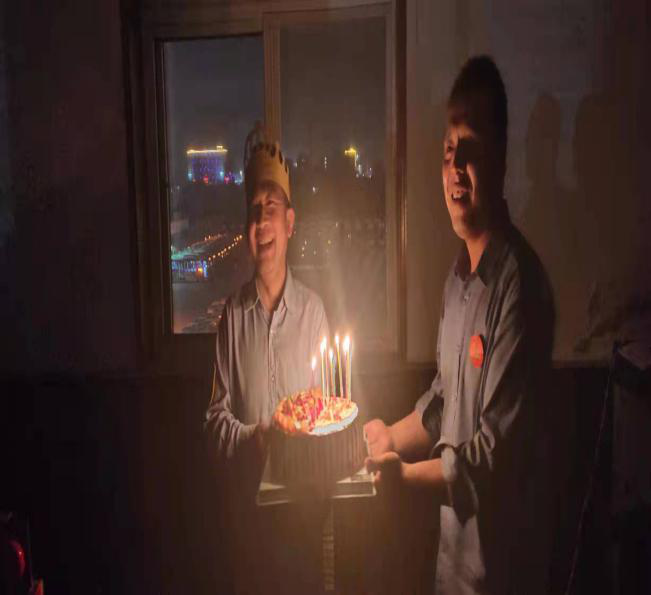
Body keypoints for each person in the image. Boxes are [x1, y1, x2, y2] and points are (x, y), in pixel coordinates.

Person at [364, 56, 555, 594]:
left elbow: (493, 456)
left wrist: (405, 477)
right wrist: (387, 437)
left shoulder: (519, 286)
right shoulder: (457, 280)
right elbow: (444, 402)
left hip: (501, 574)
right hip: (451, 570)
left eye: (470, 149)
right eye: (448, 151)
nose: (455, 168)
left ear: (500, 159)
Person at [204, 122, 329, 593]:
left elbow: (326, 413)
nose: (261, 223)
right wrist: (254, 437)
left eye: (271, 208)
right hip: (247, 528)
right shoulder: (231, 318)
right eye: (254, 211)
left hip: (305, 521)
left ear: (290, 223)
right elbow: (214, 422)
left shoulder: (313, 313)